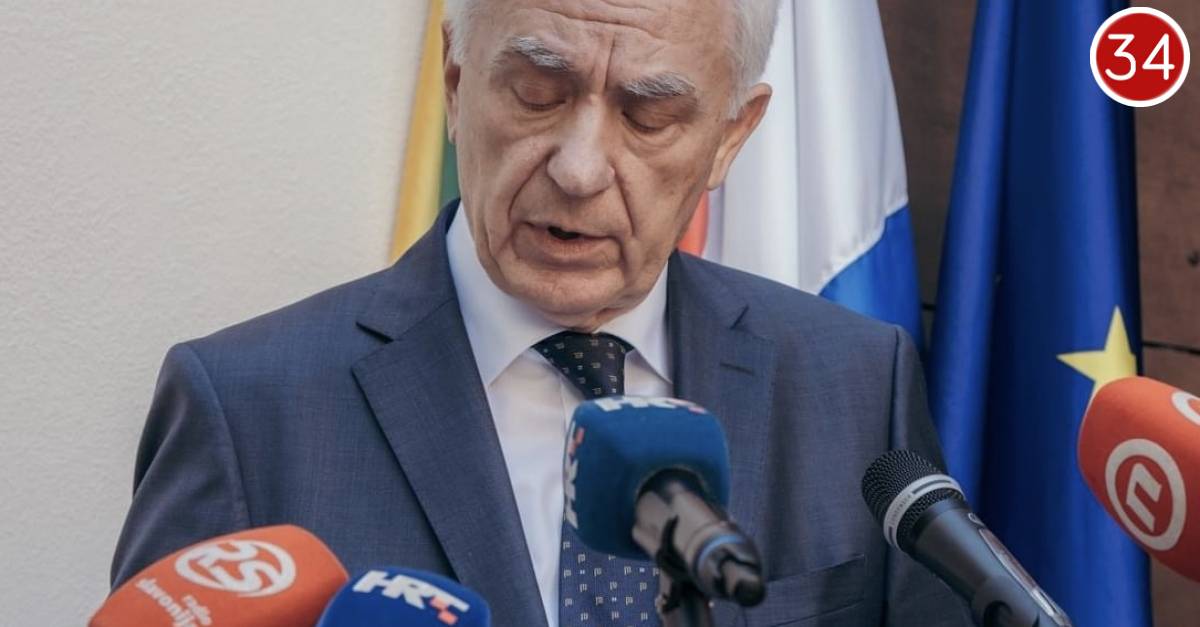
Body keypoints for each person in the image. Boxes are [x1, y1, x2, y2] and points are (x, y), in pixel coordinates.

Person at [111, 0, 971, 625]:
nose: (580, 169)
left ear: (729, 138)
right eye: (536, 91)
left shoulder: (856, 383)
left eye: (648, 115)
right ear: (456, 83)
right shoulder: (245, 410)